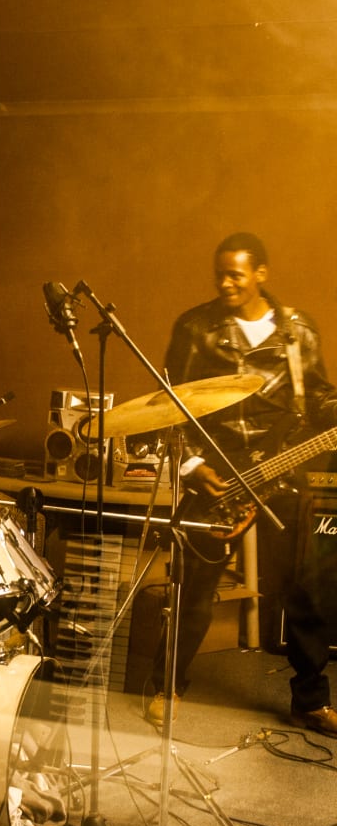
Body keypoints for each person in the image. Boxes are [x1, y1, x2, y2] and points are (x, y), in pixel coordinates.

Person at [147, 232, 337, 733]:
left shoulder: (298, 331)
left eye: (235, 274)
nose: (225, 283)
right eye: (220, 274)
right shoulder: (195, 328)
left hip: (283, 475)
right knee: (193, 593)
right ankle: (166, 687)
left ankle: (310, 700)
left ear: (261, 274)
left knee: (304, 593)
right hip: (217, 475)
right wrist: (190, 466)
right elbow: (168, 405)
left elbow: (316, 397)